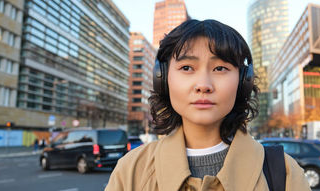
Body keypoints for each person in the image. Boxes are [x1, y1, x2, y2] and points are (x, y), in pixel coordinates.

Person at [106, 19, 309, 190]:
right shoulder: (131, 170)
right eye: (187, 67)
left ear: (243, 82)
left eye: (220, 68)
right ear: (163, 78)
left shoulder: (284, 173)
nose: (203, 85)